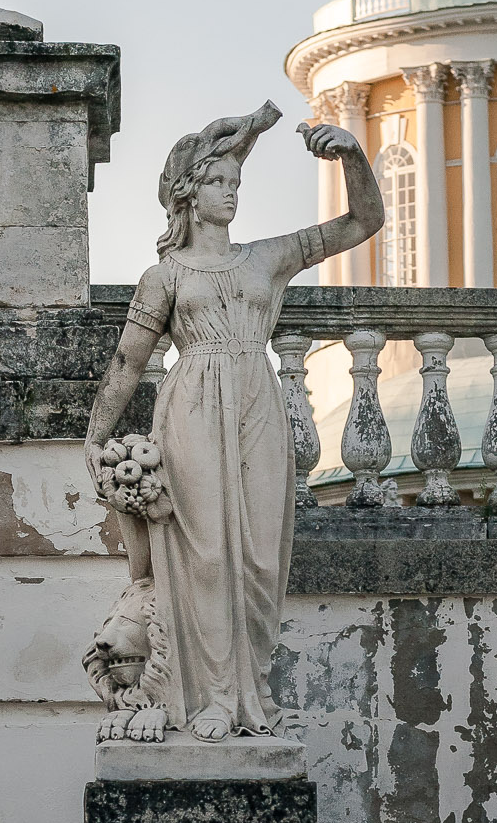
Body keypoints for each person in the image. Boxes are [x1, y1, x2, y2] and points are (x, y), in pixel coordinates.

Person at [84, 101, 384, 741]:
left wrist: (352, 156)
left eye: (236, 184)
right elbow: (128, 360)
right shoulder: (164, 276)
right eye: (218, 182)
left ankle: (252, 698)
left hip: (256, 402)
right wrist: (95, 434)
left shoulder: (265, 259)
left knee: (257, 560)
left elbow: (364, 221)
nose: (231, 195)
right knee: (206, 559)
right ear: (189, 194)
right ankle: (211, 700)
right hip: (192, 402)